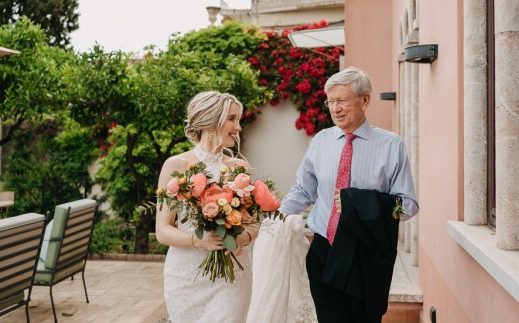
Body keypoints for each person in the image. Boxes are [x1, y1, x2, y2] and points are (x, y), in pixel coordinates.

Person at [278, 66, 419, 323]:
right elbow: (303, 190)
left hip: (366, 255)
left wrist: (363, 203)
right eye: (330, 102)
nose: (335, 108)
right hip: (323, 250)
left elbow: (407, 206)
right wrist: (275, 217)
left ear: (365, 100)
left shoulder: (391, 145)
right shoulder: (321, 141)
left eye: (342, 100)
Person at [155, 91, 258, 323]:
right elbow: (162, 230)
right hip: (185, 276)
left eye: (238, 119)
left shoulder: (239, 168)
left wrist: (241, 239)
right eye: (232, 119)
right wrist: (200, 241)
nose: (238, 127)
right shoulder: (176, 165)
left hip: (232, 276)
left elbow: (252, 223)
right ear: (212, 121)